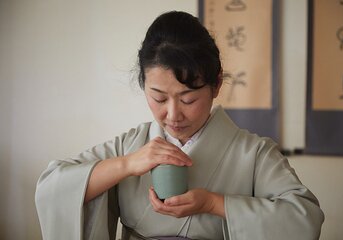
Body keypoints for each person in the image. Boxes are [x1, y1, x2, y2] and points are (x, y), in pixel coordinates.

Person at [35, 11, 324, 240]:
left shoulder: (254, 154)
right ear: (143, 86)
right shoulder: (130, 147)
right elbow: (53, 186)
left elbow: (305, 219)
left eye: (188, 99)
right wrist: (127, 164)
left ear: (216, 85)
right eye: (159, 98)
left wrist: (214, 204)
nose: (173, 115)